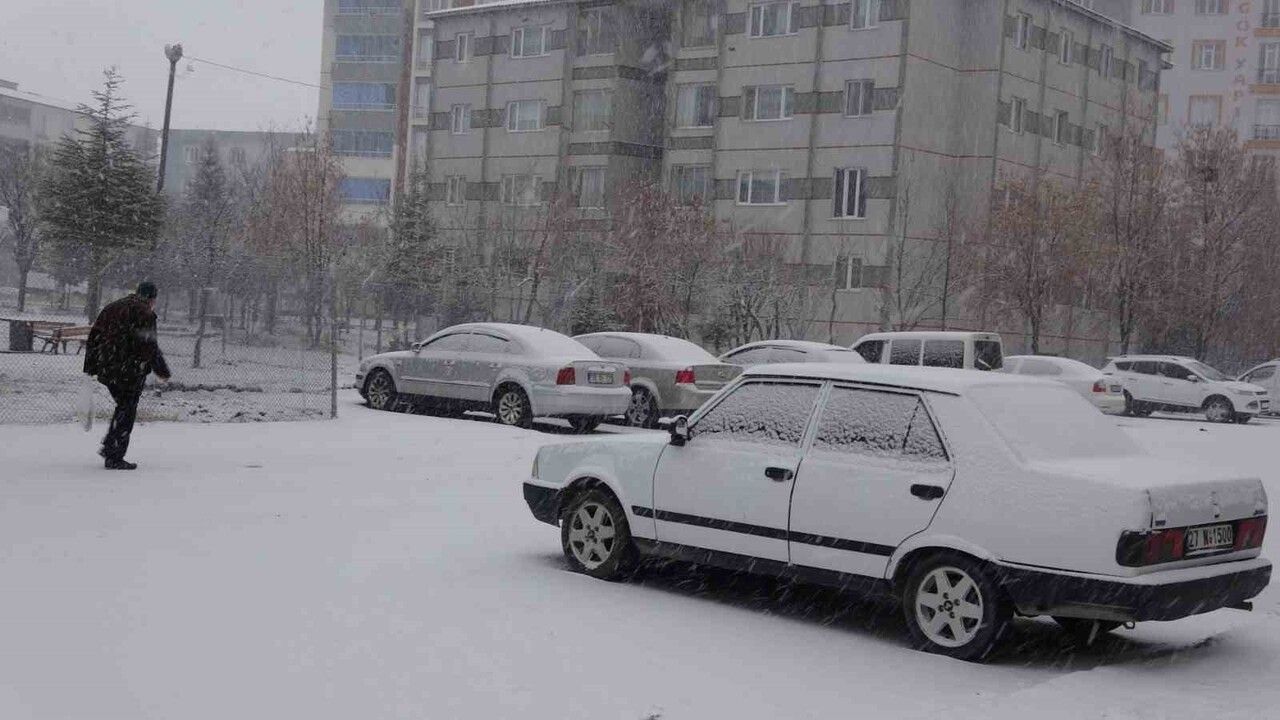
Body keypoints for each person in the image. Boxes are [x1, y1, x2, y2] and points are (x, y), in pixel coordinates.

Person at [83, 281, 171, 470]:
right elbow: (149, 345)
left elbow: (94, 336)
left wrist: (90, 366)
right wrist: (162, 371)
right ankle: (114, 455)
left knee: (123, 406)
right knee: (127, 409)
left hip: (107, 367)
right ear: (152, 298)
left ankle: (110, 447)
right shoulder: (145, 314)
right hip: (129, 370)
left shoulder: (112, 307)